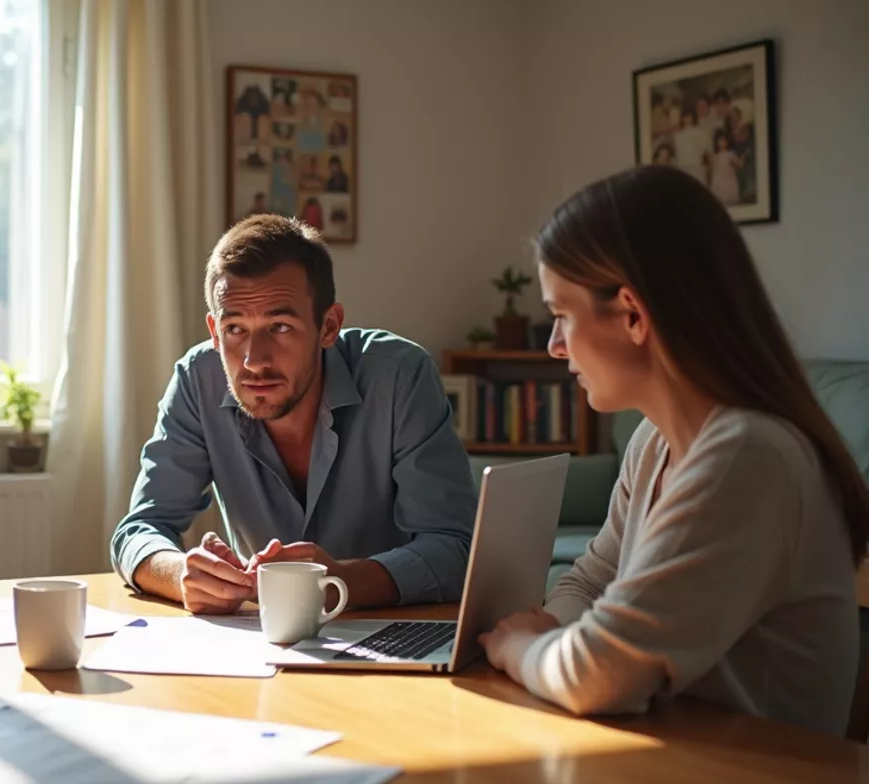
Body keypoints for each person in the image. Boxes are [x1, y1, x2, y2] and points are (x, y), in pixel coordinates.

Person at [480, 165, 867, 736]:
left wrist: (519, 646)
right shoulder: (654, 440)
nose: (555, 347)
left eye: (562, 315)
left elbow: (598, 673)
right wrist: (549, 629)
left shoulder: (747, 456)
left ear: (633, 315)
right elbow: (590, 580)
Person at [111, 214, 476, 614]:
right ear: (215, 332)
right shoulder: (198, 380)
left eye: (280, 327)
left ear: (329, 326)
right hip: (261, 644)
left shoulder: (400, 377)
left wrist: (339, 581)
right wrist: (181, 573)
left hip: (394, 634)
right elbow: (138, 531)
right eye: (235, 329)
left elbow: (456, 548)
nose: (254, 361)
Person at [707, 129, 742, 206]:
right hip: (718, 181)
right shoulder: (715, 156)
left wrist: (739, 161)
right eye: (719, 141)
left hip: (728, 180)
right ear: (716, 143)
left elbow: (739, 165)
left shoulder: (730, 154)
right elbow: (711, 170)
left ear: (727, 142)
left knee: (730, 201)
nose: (722, 143)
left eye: (724, 141)